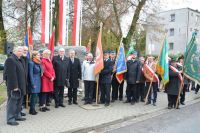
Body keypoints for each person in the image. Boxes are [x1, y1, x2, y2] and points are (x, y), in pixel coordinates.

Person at [4, 46, 26, 126]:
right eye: (19, 51)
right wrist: (14, 86)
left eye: (22, 51)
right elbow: (11, 74)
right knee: (12, 102)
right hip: (14, 86)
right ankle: (10, 119)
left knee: (19, 102)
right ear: (14, 51)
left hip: (21, 85)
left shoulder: (21, 60)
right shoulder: (10, 60)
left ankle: (17, 115)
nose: (21, 52)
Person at [21, 46, 29, 115]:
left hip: (25, 81)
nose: (25, 51)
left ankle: (20, 111)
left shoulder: (27, 58)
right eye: (24, 50)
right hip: (19, 82)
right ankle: (17, 112)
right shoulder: (19, 59)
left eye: (26, 50)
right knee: (19, 97)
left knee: (23, 96)